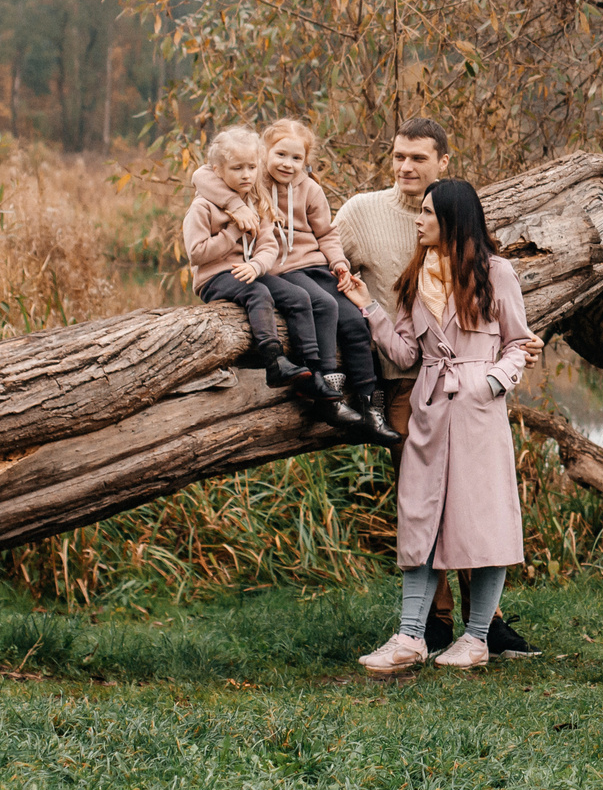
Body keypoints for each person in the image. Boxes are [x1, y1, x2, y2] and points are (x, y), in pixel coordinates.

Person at [335, 118, 542, 657]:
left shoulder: (496, 274)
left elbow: (519, 342)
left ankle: (476, 636)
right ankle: (412, 635)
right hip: (426, 402)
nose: (418, 222)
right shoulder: (411, 281)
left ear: (448, 217)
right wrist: (367, 306)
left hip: (476, 406)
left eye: (427, 214)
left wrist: (492, 381)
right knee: (420, 511)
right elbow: (405, 353)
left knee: (484, 515)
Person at [182, 126, 368, 433]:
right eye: (237, 168)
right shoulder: (203, 206)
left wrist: (257, 265)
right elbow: (197, 253)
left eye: (250, 168)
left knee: (299, 298)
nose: (245, 174)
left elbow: (269, 244)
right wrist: (233, 231)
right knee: (260, 296)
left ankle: (313, 374)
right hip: (215, 275)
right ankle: (274, 361)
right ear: (219, 171)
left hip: (251, 270)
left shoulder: (258, 199)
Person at [254, 118, 397, 445]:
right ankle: (328, 396)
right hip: (279, 270)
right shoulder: (252, 182)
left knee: (355, 323)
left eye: (296, 158)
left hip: (315, 266)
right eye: (280, 155)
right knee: (323, 306)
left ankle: (370, 406)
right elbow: (211, 174)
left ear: (306, 161)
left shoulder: (310, 189)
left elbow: (327, 234)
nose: (288, 165)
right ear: (264, 152)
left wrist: (339, 264)